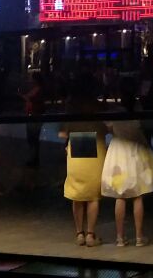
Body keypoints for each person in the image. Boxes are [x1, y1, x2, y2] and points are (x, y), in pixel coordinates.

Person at [101, 76, 153, 247]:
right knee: (138, 196)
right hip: (136, 152)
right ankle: (139, 237)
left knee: (120, 197)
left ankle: (120, 238)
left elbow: (107, 127)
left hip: (118, 153)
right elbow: (144, 128)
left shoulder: (115, 112)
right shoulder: (138, 109)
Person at [58, 70, 109, 247]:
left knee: (77, 194)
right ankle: (90, 235)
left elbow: (62, 133)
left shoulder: (71, 108)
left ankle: (79, 233)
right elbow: (108, 127)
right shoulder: (98, 107)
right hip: (95, 145)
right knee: (93, 195)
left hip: (77, 144)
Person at [21, 72, 47, 169]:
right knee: (34, 139)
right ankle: (34, 158)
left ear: (35, 80)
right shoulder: (38, 89)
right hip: (34, 115)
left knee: (32, 138)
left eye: (31, 78)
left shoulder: (38, 90)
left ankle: (33, 159)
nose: (30, 80)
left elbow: (33, 100)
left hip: (34, 116)